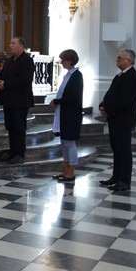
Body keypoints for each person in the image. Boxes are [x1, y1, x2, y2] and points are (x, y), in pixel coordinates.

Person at [98, 49, 136, 192]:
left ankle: (124, 180)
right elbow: (112, 94)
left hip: (123, 119)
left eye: (119, 58)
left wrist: (108, 109)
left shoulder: (132, 77)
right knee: (116, 148)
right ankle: (116, 177)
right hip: (115, 117)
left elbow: (125, 100)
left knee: (123, 150)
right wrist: (103, 105)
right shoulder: (121, 75)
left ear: (129, 61)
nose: (117, 60)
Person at [0, 37, 35, 164]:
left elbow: (24, 80)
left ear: (21, 46)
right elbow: (3, 74)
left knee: (18, 126)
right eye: (10, 43)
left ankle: (20, 153)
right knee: (10, 126)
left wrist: (6, 85)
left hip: (20, 99)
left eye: (13, 43)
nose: (10, 45)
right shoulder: (9, 60)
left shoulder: (27, 60)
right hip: (8, 99)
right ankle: (12, 151)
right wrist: (0, 82)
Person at [50, 49, 83, 182]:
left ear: (70, 61)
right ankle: (65, 170)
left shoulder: (77, 76)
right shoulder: (67, 75)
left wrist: (57, 101)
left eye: (63, 60)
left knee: (70, 143)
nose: (62, 62)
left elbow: (74, 97)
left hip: (71, 114)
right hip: (64, 112)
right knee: (64, 143)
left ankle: (71, 172)